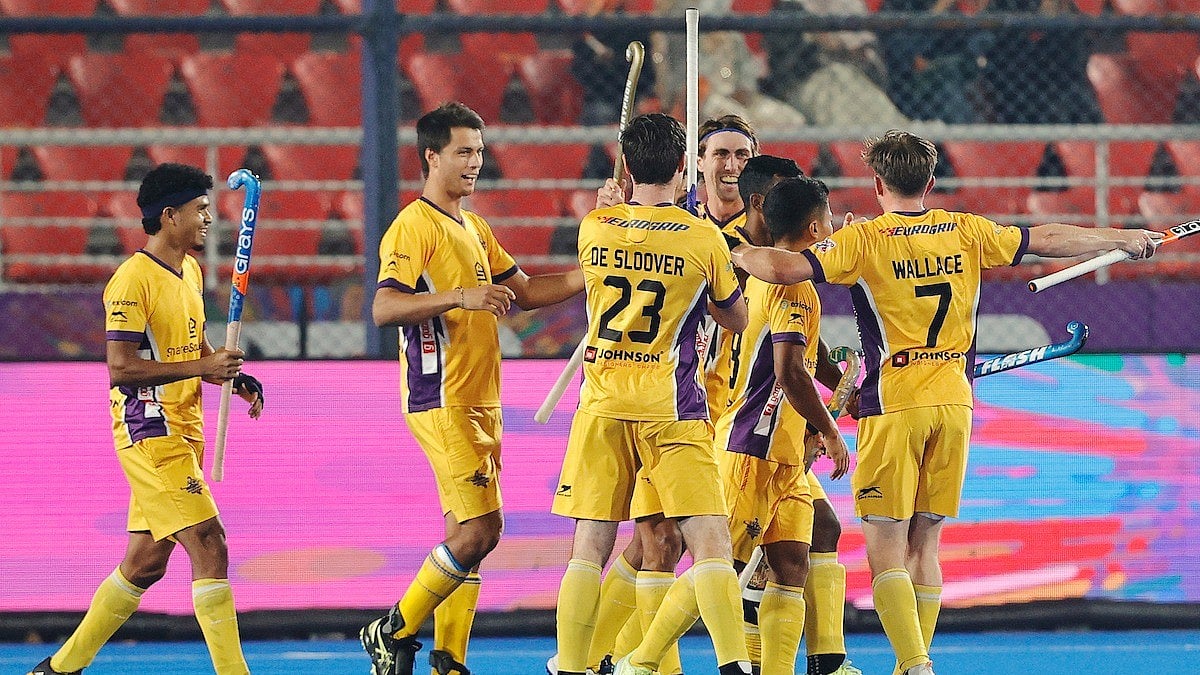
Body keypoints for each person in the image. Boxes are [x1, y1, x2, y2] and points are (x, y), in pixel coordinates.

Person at [731, 130, 1164, 675]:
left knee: (885, 543)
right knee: (926, 540)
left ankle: (912, 662)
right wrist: (1119, 237)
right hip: (955, 399)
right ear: (932, 183)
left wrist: (734, 250)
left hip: (895, 400)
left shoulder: (865, 240)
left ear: (877, 184)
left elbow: (784, 268)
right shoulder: (967, 230)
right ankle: (918, 662)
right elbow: (1047, 237)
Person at [360, 101, 584, 675]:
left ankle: (447, 657)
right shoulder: (415, 225)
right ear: (431, 156)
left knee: (465, 531)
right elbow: (385, 306)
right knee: (485, 528)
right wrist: (460, 297)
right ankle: (393, 629)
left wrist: (601, 267)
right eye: (463, 151)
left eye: (480, 152)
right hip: (444, 397)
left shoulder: (475, 226)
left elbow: (528, 291)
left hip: (481, 397)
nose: (474, 163)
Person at [28, 162, 265, 675]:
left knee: (145, 562)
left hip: (185, 427)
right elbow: (121, 367)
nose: (209, 219)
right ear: (169, 215)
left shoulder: (192, 271)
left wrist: (227, 376)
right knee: (210, 542)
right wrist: (204, 365)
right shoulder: (131, 281)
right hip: (149, 428)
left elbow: (191, 345)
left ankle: (59, 669)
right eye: (200, 211)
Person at [552, 112, 750, 675]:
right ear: (687, 168)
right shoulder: (703, 237)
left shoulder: (596, 227)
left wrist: (609, 207)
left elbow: (604, 245)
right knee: (711, 542)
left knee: (589, 547)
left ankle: (570, 666)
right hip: (672, 408)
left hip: (602, 405)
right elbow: (734, 318)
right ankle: (733, 665)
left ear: (629, 168)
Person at [733, 157, 864, 675]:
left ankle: (816, 663)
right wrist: (829, 429)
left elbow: (804, 357)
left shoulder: (758, 261)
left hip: (775, 437)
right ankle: (640, 658)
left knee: (800, 549)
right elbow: (787, 372)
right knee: (720, 563)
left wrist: (841, 395)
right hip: (751, 435)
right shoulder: (776, 274)